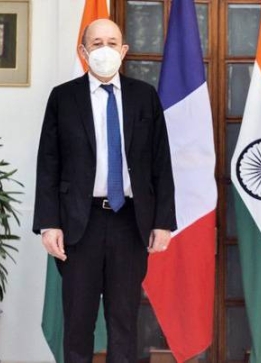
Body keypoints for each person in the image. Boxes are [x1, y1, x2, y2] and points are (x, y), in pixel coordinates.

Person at [32, 19, 176, 363]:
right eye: (96, 43)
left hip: (130, 222)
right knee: (78, 322)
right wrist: (49, 223)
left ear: (124, 51)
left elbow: (161, 162)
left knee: (124, 321)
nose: (105, 49)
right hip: (80, 224)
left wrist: (163, 222)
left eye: (112, 42)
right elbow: (48, 163)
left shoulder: (145, 97)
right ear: (83, 52)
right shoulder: (63, 98)